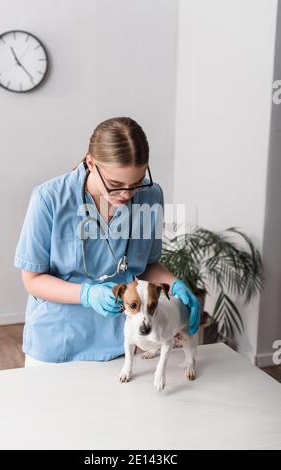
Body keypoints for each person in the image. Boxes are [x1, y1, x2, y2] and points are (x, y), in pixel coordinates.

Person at [13, 116, 200, 366]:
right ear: (91, 163)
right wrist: (87, 294)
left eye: (135, 184)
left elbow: (149, 264)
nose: (125, 194)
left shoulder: (150, 196)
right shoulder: (50, 199)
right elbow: (33, 280)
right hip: (58, 339)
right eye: (115, 184)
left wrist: (175, 285)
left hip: (120, 340)